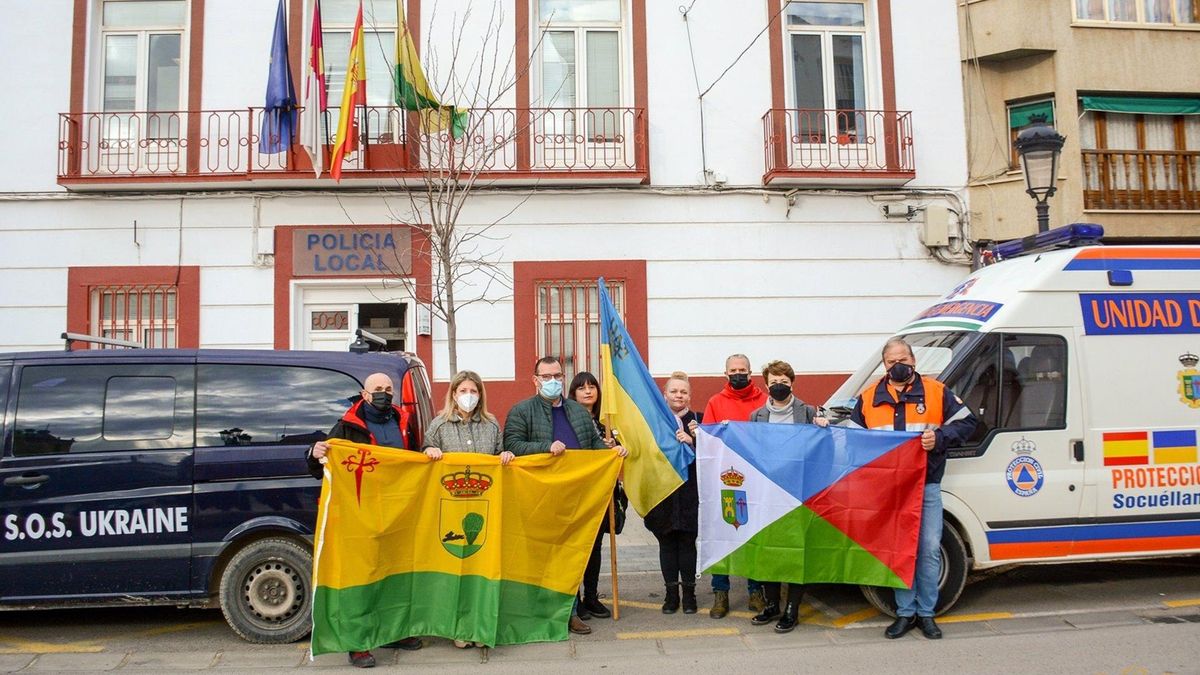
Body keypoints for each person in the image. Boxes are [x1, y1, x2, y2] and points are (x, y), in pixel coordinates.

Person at [848, 337, 977, 641]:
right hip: (889, 493)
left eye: (902, 360)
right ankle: (905, 613)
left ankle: (927, 614)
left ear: (913, 360)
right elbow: (851, 440)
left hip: (926, 486)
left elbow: (968, 423)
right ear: (884, 365)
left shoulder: (936, 392)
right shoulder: (868, 398)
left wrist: (941, 437)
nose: (898, 366)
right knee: (897, 552)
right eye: (891, 362)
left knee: (929, 550)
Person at [503, 356, 627, 637]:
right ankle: (546, 611)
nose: (553, 381)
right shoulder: (522, 411)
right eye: (546, 377)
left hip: (577, 496)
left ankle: (571, 612)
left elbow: (594, 445)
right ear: (535, 380)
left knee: (572, 555)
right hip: (541, 496)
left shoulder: (578, 412)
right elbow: (511, 444)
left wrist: (613, 454)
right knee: (546, 556)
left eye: (557, 376)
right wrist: (545, 447)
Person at [306, 372, 423, 669]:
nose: (384, 393)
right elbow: (320, 468)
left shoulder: (404, 421)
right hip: (359, 514)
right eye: (377, 389)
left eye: (388, 389)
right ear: (365, 393)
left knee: (395, 573)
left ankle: (393, 632)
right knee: (361, 577)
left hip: (397, 511)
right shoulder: (347, 425)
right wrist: (313, 452)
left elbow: (416, 459)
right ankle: (358, 643)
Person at [421, 369, 511, 649]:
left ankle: (481, 627)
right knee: (453, 572)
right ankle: (457, 627)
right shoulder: (439, 426)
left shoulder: (492, 425)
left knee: (483, 571)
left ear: (480, 395)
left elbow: (500, 455)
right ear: (453, 395)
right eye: (463, 391)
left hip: (485, 509)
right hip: (450, 510)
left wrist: (506, 456)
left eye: (474, 391)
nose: (468, 396)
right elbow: (424, 453)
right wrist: (429, 452)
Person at [747, 360, 828, 633]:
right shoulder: (756, 416)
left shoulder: (807, 413)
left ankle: (792, 608)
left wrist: (824, 428)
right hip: (768, 492)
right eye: (773, 382)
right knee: (769, 550)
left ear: (792, 382)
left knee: (797, 550)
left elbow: (823, 450)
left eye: (783, 381)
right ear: (765, 385)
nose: (778, 386)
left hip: (799, 493)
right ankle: (772, 605)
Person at [701, 354, 768, 619]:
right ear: (725, 373)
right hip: (726, 478)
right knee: (722, 532)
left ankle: (755, 590)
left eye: (743, 370)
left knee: (754, 534)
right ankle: (720, 592)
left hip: (758, 478)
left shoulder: (764, 401)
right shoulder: (716, 402)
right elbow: (708, 437)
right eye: (733, 370)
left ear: (751, 373)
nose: (738, 374)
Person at [643, 371, 701, 615]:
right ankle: (670, 595)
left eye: (683, 392)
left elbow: (713, 455)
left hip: (689, 492)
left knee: (687, 544)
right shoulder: (654, 421)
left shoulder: (699, 421)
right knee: (666, 543)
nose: (679, 395)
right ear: (664, 394)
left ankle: (689, 594)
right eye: (674, 391)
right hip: (663, 492)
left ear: (689, 396)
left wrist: (694, 441)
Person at [567, 371, 622, 622]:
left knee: (596, 547)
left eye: (592, 387)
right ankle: (574, 599)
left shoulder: (606, 422)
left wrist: (618, 448)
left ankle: (591, 596)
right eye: (582, 388)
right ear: (573, 393)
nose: (588, 391)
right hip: (576, 493)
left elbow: (621, 454)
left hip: (601, 495)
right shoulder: (567, 419)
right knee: (576, 547)